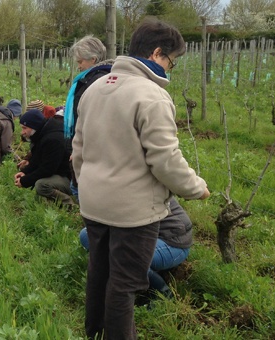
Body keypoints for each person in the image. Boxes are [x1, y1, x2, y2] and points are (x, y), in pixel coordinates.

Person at [71, 19, 210, 339]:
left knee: (99, 274)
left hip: (94, 204)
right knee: (124, 285)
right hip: (133, 213)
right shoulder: (151, 95)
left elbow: (78, 150)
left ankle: (94, 333)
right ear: (157, 53)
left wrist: (89, 185)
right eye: (171, 61)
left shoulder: (95, 88)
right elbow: (165, 161)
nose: (170, 68)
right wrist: (195, 188)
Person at [79, 198, 191, 297]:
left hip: (172, 240)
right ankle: (116, 273)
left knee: (126, 257)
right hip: (140, 235)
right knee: (86, 235)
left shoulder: (133, 187)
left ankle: (162, 292)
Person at [64, 35, 111, 202]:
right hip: (82, 146)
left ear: (93, 59)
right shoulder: (89, 79)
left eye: (80, 61)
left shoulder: (97, 82)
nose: (78, 66)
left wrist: (79, 148)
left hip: (88, 149)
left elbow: (94, 119)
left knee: (82, 190)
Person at [14, 109, 72, 206]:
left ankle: (70, 205)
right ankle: (53, 204)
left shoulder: (53, 139)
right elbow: (37, 159)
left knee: (41, 185)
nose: (22, 132)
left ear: (34, 127)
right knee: (40, 194)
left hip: (70, 178)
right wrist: (25, 172)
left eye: (25, 128)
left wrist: (25, 181)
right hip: (60, 173)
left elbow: (47, 169)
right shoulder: (43, 133)